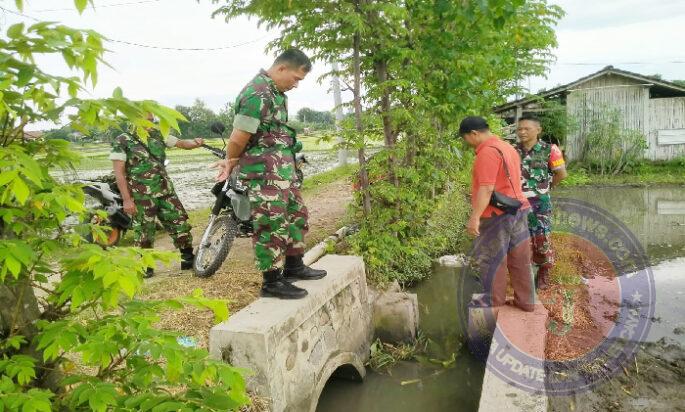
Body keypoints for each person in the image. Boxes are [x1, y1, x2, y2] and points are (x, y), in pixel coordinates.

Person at [215, 48, 326, 300]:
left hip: (283, 172)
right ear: (281, 68)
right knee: (270, 223)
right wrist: (231, 161)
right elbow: (238, 137)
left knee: (297, 215)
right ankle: (272, 281)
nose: (296, 85)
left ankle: (294, 267)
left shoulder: (277, 93)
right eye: (296, 79)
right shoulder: (257, 93)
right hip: (263, 174)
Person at [110, 114, 204, 278]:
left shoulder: (159, 133)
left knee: (180, 222)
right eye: (147, 120)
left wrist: (195, 143)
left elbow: (182, 143)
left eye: (152, 120)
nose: (151, 123)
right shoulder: (122, 140)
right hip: (142, 196)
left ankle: (187, 258)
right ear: (135, 119)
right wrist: (126, 199)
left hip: (165, 191)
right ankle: (147, 267)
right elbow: (119, 174)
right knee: (145, 232)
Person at [460, 116, 535, 312]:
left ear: (474, 134)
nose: (465, 142)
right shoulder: (508, 148)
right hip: (518, 207)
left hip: (496, 213)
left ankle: (494, 300)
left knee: (492, 257)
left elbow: (486, 188)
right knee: (519, 258)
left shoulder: (486, 152)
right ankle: (526, 302)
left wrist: (475, 217)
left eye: (465, 138)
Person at [515, 114, 567, 290]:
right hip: (517, 204)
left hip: (540, 204)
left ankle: (544, 270)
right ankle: (524, 274)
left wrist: (546, 188)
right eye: (519, 129)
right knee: (520, 240)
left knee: (541, 238)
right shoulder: (513, 151)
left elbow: (561, 174)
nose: (522, 132)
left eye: (526, 129)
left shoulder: (550, 149)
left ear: (538, 130)